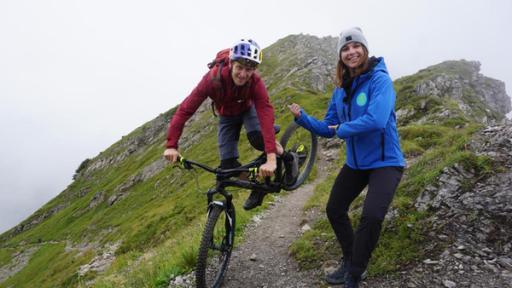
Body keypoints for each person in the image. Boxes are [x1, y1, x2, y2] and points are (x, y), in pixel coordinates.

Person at [288, 27, 405, 288]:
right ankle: (350, 259)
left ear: (364, 49)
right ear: (341, 55)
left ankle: (354, 274)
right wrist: (303, 118)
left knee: (372, 216)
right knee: (334, 208)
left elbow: (375, 120)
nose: (351, 52)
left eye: (356, 47)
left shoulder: (380, 80)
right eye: (345, 48)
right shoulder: (340, 91)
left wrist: (341, 129)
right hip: (356, 163)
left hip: (386, 162)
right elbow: (327, 128)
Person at [164, 39, 298, 210]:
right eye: (239, 68)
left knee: (258, 138)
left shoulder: (255, 82)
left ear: (254, 70)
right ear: (231, 63)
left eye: (248, 69)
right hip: (227, 115)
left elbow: (265, 114)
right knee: (228, 167)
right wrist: (171, 145)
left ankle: (288, 158)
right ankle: (258, 185)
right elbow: (185, 110)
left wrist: (271, 158)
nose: (243, 74)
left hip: (248, 109)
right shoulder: (212, 79)